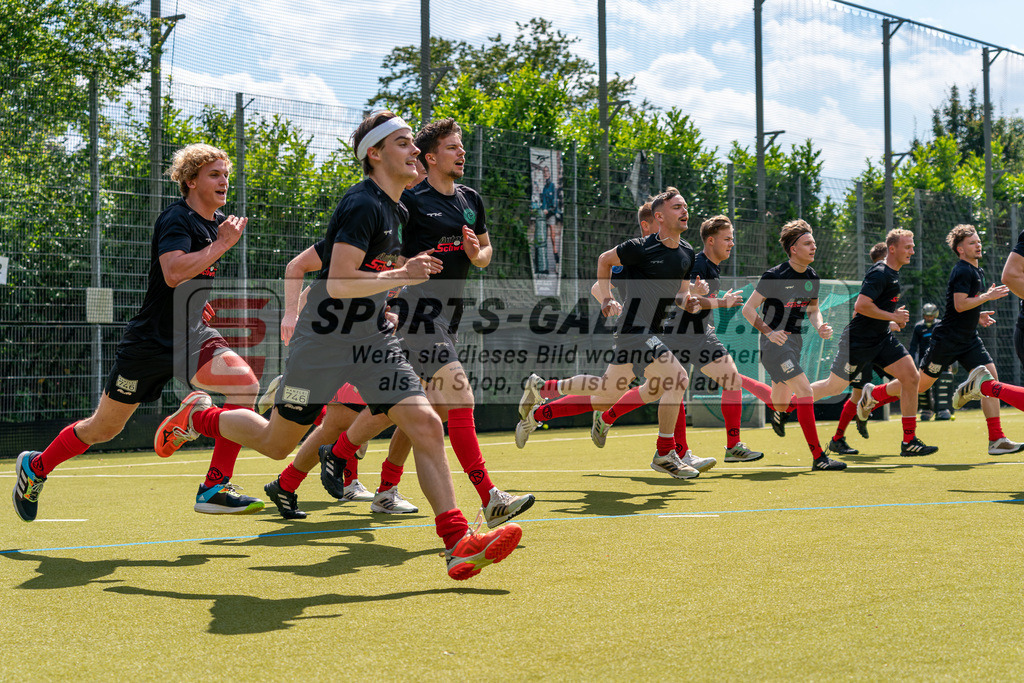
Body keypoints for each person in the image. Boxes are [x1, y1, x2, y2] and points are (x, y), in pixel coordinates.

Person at [153, 111, 523, 580]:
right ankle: (198, 416)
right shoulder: (361, 204)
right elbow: (342, 279)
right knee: (274, 442)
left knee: (427, 424)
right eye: (405, 144)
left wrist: (387, 296)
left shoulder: (398, 208)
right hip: (323, 344)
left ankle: (458, 544)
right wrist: (397, 277)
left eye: (414, 144)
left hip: (373, 340)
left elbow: (354, 273)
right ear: (375, 153)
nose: (415, 152)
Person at [13, 144, 266, 522]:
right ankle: (36, 467)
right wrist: (222, 245)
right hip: (149, 344)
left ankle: (215, 486)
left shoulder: (212, 225)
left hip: (191, 335)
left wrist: (196, 301)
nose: (224, 181)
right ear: (190, 180)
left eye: (226, 175)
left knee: (243, 386)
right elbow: (174, 271)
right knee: (103, 428)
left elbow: (185, 280)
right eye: (214, 174)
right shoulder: (177, 219)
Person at [314, 117, 535, 528]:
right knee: (459, 397)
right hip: (416, 311)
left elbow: (486, 253)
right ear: (430, 157)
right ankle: (490, 498)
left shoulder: (470, 199)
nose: (461, 152)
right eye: (452, 147)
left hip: (449, 315)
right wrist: (389, 294)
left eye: (461, 146)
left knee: (410, 407)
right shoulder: (409, 200)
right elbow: (388, 254)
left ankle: (356, 464)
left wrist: (475, 254)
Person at [520, 188, 702, 479]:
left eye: (685, 205)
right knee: (678, 378)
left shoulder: (687, 253)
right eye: (677, 206)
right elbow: (605, 260)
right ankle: (665, 452)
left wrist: (690, 301)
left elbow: (681, 294)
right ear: (659, 216)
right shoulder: (639, 248)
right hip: (634, 329)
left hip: (649, 332)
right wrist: (606, 297)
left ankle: (543, 388)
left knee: (606, 395)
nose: (684, 210)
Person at [879, 225, 1022, 455]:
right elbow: (959, 304)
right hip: (947, 341)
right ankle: (875, 395)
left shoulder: (977, 270)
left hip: (968, 339)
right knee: (920, 384)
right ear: (960, 249)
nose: (978, 245)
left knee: (991, 378)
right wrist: (986, 297)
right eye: (972, 243)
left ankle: (996, 439)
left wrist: (978, 315)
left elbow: (965, 308)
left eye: (978, 241)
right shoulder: (962, 271)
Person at [806, 229, 938, 457]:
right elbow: (861, 305)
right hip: (858, 343)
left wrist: (891, 318)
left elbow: (875, 308)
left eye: (913, 246)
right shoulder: (880, 273)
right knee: (833, 387)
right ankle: (787, 402)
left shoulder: (893, 273)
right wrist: (893, 317)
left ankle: (909, 441)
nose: (912, 251)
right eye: (908, 247)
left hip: (880, 340)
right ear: (893, 249)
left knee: (911, 377)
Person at [740, 220, 846, 470]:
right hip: (775, 345)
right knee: (805, 391)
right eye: (808, 243)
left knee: (780, 403)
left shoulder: (812, 277)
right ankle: (819, 457)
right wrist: (768, 331)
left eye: (814, 243)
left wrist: (820, 325)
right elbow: (748, 308)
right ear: (793, 248)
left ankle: (740, 381)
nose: (814, 247)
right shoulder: (774, 276)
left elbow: (813, 310)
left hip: (794, 343)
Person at [908, 303, 951, 421]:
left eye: (931, 316)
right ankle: (926, 409)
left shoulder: (940, 325)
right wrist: (910, 361)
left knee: (941, 384)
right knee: (923, 385)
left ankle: (942, 410)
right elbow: (913, 347)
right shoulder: (918, 327)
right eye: (926, 316)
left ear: (935, 315)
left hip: (940, 359)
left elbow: (947, 343)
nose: (928, 318)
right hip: (924, 362)